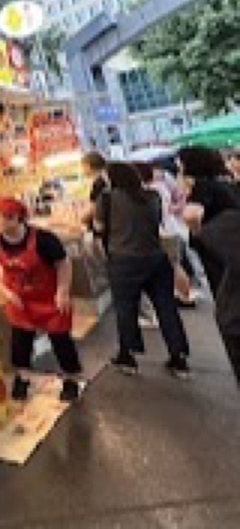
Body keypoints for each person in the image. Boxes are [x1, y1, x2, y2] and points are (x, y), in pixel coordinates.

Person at [0, 196, 82, 403]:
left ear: (15, 218)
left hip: (49, 299)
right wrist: (3, 290)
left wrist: (62, 291)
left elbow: (63, 263)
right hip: (19, 300)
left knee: (61, 340)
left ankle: (71, 379)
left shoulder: (44, 239)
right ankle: (23, 377)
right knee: (20, 342)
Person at [96, 162, 191, 379]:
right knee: (166, 307)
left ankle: (128, 356)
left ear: (113, 178)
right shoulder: (152, 196)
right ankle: (179, 357)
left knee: (126, 309)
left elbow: (99, 227)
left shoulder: (107, 198)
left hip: (124, 261)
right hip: (156, 259)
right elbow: (157, 223)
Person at [177, 146, 240, 384]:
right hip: (233, 258)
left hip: (222, 262)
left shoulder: (203, 187)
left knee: (231, 315)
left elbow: (191, 215)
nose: (178, 170)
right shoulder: (229, 185)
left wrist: (200, 234)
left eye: (180, 165)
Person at [134, 160, 194, 306]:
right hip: (171, 228)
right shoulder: (159, 186)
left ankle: (185, 297)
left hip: (164, 230)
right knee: (174, 265)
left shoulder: (151, 190)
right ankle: (183, 295)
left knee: (175, 265)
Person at [81, 151, 109, 232]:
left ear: (89, 166)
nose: (83, 170)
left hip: (104, 225)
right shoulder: (106, 178)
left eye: (83, 166)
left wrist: (82, 219)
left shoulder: (98, 183)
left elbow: (94, 207)